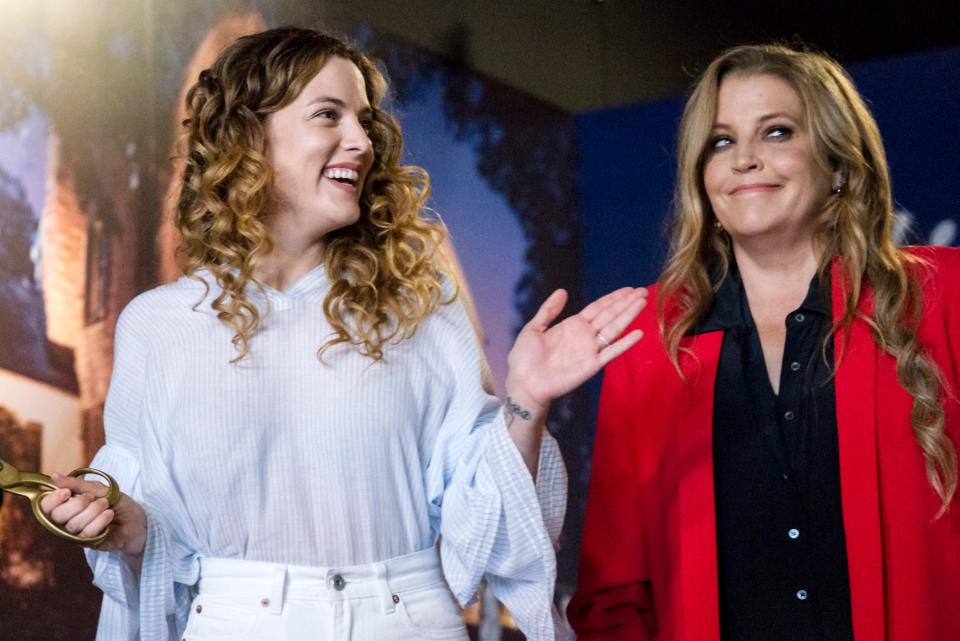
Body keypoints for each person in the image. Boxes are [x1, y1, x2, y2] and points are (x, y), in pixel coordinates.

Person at [38, 27, 646, 641]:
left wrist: (526, 400)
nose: (360, 142)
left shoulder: (421, 306)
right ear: (248, 137)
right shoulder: (158, 324)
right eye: (328, 114)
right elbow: (164, 545)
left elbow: (488, 526)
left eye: (363, 120)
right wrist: (124, 525)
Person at [568, 43, 960, 641]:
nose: (745, 160)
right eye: (721, 142)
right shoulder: (648, 337)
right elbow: (616, 592)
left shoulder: (943, 297)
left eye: (776, 133)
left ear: (839, 166)